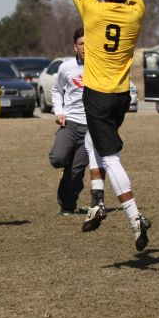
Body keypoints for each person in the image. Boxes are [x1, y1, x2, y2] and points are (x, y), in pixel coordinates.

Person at [73, 0, 152, 251]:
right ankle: (97, 200)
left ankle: (135, 217)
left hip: (98, 95)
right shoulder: (136, 14)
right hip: (121, 96)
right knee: (91, 140)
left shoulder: (93, 11)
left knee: (110, 158)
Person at [49, 28, 101, 216]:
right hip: (70, 122)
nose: (85, 47)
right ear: (75, 47)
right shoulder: (66, 67)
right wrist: (59, 111)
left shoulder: (101, 66)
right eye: (81, 44)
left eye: (89, 43)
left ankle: (67, 206)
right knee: (58, 159)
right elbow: (57, 90)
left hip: (91, 127)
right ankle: (66, 165)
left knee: (76, 170)